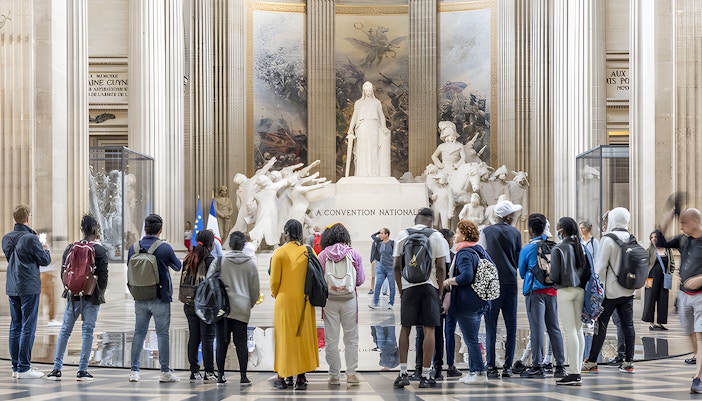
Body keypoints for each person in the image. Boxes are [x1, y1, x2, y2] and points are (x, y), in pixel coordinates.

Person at [45, 215, 109, 381]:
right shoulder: (100, 251)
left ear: (82, 230)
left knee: (65, 331)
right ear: (95, 231)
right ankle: (82, 370)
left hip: (72, 296)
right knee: (88, 332)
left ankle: (57, 369)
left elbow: (63, 273)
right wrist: (99, 292)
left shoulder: (70, 248)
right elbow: (103, 277)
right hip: (92, 297)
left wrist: (71, 287)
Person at [392, 208, 447, 389]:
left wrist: (401, 290)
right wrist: (439, 292)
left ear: (416, 220)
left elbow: (396, 266)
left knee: (405, 328)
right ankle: (425, 375)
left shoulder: (402, 234)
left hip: (408, 287)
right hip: (429, 286)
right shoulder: (436, 236)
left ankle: (402, 373)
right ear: (430, 221)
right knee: (429, 329)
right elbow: (440, 267)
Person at [127, 214, 182, 383]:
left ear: (145, 228)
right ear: (160, 230)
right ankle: (165, 372)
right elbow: (178, 266)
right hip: (160, 298)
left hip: (140, 297)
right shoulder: (164, 248)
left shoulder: (133, 248)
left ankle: (134, 371)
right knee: (162, 334)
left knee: (139, 333)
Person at [583, 207, 637, 374]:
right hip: (628, 291)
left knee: (601, 326)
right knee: (628, 325)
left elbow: (600, 268)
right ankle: (628, 362)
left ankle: (591, 361)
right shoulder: (632, 238)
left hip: (610, 292)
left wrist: (595, 290)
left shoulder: (608, 239)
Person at [655, 208, 702, 393]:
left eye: (683, 222)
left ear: (696, 221)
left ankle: (698, 378)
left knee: (700, 335)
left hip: (700, 296)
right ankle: (699, 369)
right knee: (691, 333)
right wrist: (667, 219)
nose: (681, 227)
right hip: (684, 295)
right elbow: (660, 242)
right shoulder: (684, 240)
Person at [3, 204, 51, 379]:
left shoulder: (6, 238)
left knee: (15, 325)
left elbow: (11, 259)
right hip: (28, 285)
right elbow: (44, 260)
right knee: (28, 325)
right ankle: (24, 367)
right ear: (28, 218)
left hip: (12, 285)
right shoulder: (31, 238)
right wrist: (44, 246)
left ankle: (16, 367)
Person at [269, 219, 319, 390]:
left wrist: (277, 294)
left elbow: (274, 282)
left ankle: (282, 377)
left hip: (284, 301)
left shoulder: (279, 253)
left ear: (286, 233)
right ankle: (301, 378)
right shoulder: (309, 251)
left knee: (284, 339)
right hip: (304, 301)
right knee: (301, 338)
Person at [518, 213, 566, 379]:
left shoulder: (527, 248)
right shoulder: (554, 246)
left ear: (531, 229)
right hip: (552, 290)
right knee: (554, 327)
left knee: (537, 328)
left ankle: (537, 365)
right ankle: (560, 365)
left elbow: (522, 273)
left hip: (535, 291)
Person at [443, 220, 492, 384]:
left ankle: (479, 373)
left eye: (457, 232)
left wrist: (449, 281)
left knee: (471, 339)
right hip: (479, 301)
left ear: (464, 234)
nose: (455, 235)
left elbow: (466, 277)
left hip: (467, 302)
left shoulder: (464, 253)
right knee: (471, 337)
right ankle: (472, 371)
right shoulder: (479, 250)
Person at [478, 199, 522, 378]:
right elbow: (518, 260)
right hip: (510, 281)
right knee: (511, 325)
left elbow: (482, 257)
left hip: (492, 282)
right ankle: (507, 366)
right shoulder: (516, 233)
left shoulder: (486, 232)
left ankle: (491, 366)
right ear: (508, 216)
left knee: (490, 325)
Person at [317, 223, 365, 385]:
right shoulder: (354, 254)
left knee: (331, 339)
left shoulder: (323, 255)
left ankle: (334, 375)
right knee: (351, 338)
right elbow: (360, 280)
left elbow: (319, 281)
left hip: (330, 300)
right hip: (349, 299)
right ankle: (351, 374)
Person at [214, 231, 260, 386]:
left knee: (221, 342)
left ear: (229, 244)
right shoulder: (250, 263)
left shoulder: (220, 261)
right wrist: (249, 304)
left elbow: (209, 282)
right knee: (241, 342)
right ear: (243, 245)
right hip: (242, 308)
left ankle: (220, 374)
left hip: (222, 308)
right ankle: (243, 375)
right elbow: (255, 289)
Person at [550, 217, 592, 385]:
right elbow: (587, 270)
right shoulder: (580, 246)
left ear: (562, 231)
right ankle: (577, 369)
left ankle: (573, 372)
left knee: (569, 331)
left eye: (558, 228)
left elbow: (555, 275)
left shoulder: (558, 248)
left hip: (565, 290)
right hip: (580, 290)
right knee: (578, 329)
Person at [180, 230, 216, 383]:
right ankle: (209, 372)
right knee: (207, 338)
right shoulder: (210, 260)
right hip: (205, 305)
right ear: (211, 244)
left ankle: (194, 371)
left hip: (189, 303)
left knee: (194, 337)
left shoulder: (188, 257)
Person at [346, 81, 390, 177]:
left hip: (374, 127)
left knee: (373, 150)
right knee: (362, 150)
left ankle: (374, 173)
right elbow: (354, 116)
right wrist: (350, 129)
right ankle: (361, 173)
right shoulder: (358, 103)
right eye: (366, 91)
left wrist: (383, 126)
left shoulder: (376, 102)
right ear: (363, 91)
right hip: (362, 127)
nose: (368, 93)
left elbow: (381, 115)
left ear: (372, 91)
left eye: (369, 91)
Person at [439, 228, 461, 378]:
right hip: (451, 299)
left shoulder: (435, 257)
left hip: (437, 299)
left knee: (437, 333)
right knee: (450, 333)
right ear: (448, 241)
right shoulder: (454, 257)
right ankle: (451, 364)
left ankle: (437, 365)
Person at [642, 231, 675, 330]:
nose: (654, 239)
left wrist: (670, 272)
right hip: (650, 278)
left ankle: (660, 322)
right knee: (650, 299)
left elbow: (672, 262)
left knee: (663, 299)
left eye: (655, 237)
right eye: (651, 238)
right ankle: (651, 323)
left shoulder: (667, 250)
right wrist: (644, 278)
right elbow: (644, 265)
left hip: (664, 278)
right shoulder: (649, 250)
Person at [369, 228, 395, 309]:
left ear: (387, 234)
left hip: (390, 268)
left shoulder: (392, 243)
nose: (380, 235)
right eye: (379, 233)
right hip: (381, 268)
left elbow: (396, 255)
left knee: (392, 286)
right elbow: (373, 236)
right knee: (377, 285)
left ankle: (391, 303)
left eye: (382, 233)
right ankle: (375, 302)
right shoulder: (380, 243)